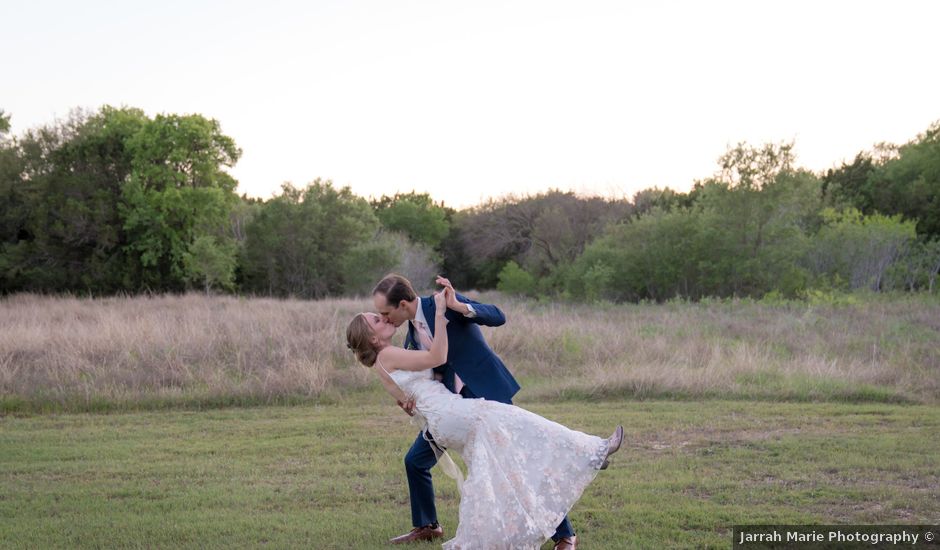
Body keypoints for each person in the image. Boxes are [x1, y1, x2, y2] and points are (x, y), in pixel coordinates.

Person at [349, 284, 624, 549]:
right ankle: (427, 526)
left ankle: (565, 535)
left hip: (481, 391)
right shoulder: (408, 335)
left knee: (515, 464)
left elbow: (497, 315)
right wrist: (407, 400)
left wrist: (459, 306)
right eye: (380, 317)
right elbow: (424, 370)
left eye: (385, 313)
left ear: (403, 305)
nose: (385, 318)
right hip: (451, 411)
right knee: (416, 461)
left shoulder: (443, 302)